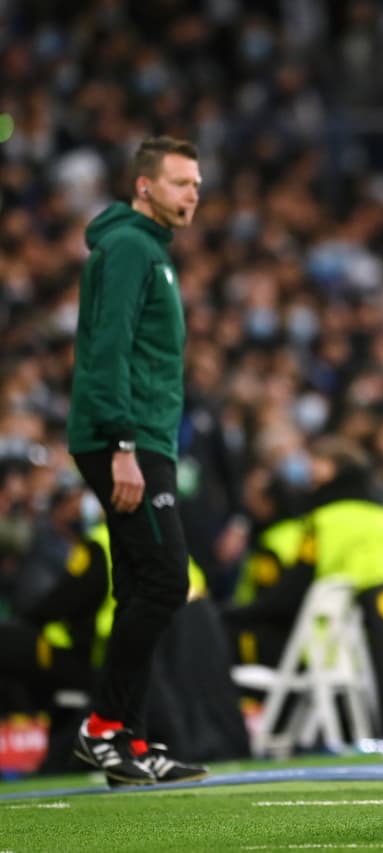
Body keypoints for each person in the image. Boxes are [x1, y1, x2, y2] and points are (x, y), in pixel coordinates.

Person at [65, 135, 209, 785]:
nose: (193, 194)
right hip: (126, 440)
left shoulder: (149, 250)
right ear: (145, 186)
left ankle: (126, 737)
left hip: (144, 437)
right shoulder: (129, 248)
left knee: (139, 587)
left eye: (197, 184)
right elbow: (107, 349)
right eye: (181, 183)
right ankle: (103, 727)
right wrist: (122, 445)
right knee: (163, 580)